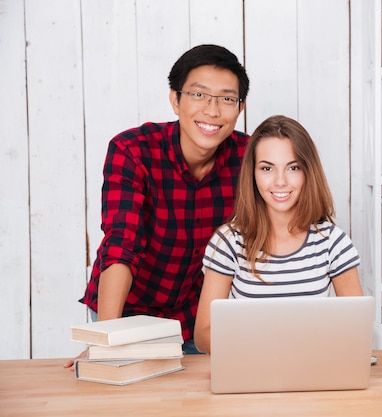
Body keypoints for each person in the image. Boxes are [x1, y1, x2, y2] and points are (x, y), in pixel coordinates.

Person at [64, 44, 250, 367]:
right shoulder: (133, 150)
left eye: (226, 99)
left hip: (197, 320)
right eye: (199, 95)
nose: (212, 110)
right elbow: (121, 244)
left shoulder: (250, 158)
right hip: (126, 313)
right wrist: (109, 337)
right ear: (175, 100)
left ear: (240, 107)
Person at [193, 115, 364, 353]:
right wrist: (267, 349)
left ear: (308, 172)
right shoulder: (228, 242)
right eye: (267, 168)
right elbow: (203, 335)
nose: (281, 181)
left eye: (293, 168)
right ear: (253, 174)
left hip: (312, 373)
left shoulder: (332, 242)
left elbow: (356, 326)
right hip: (251, 372)